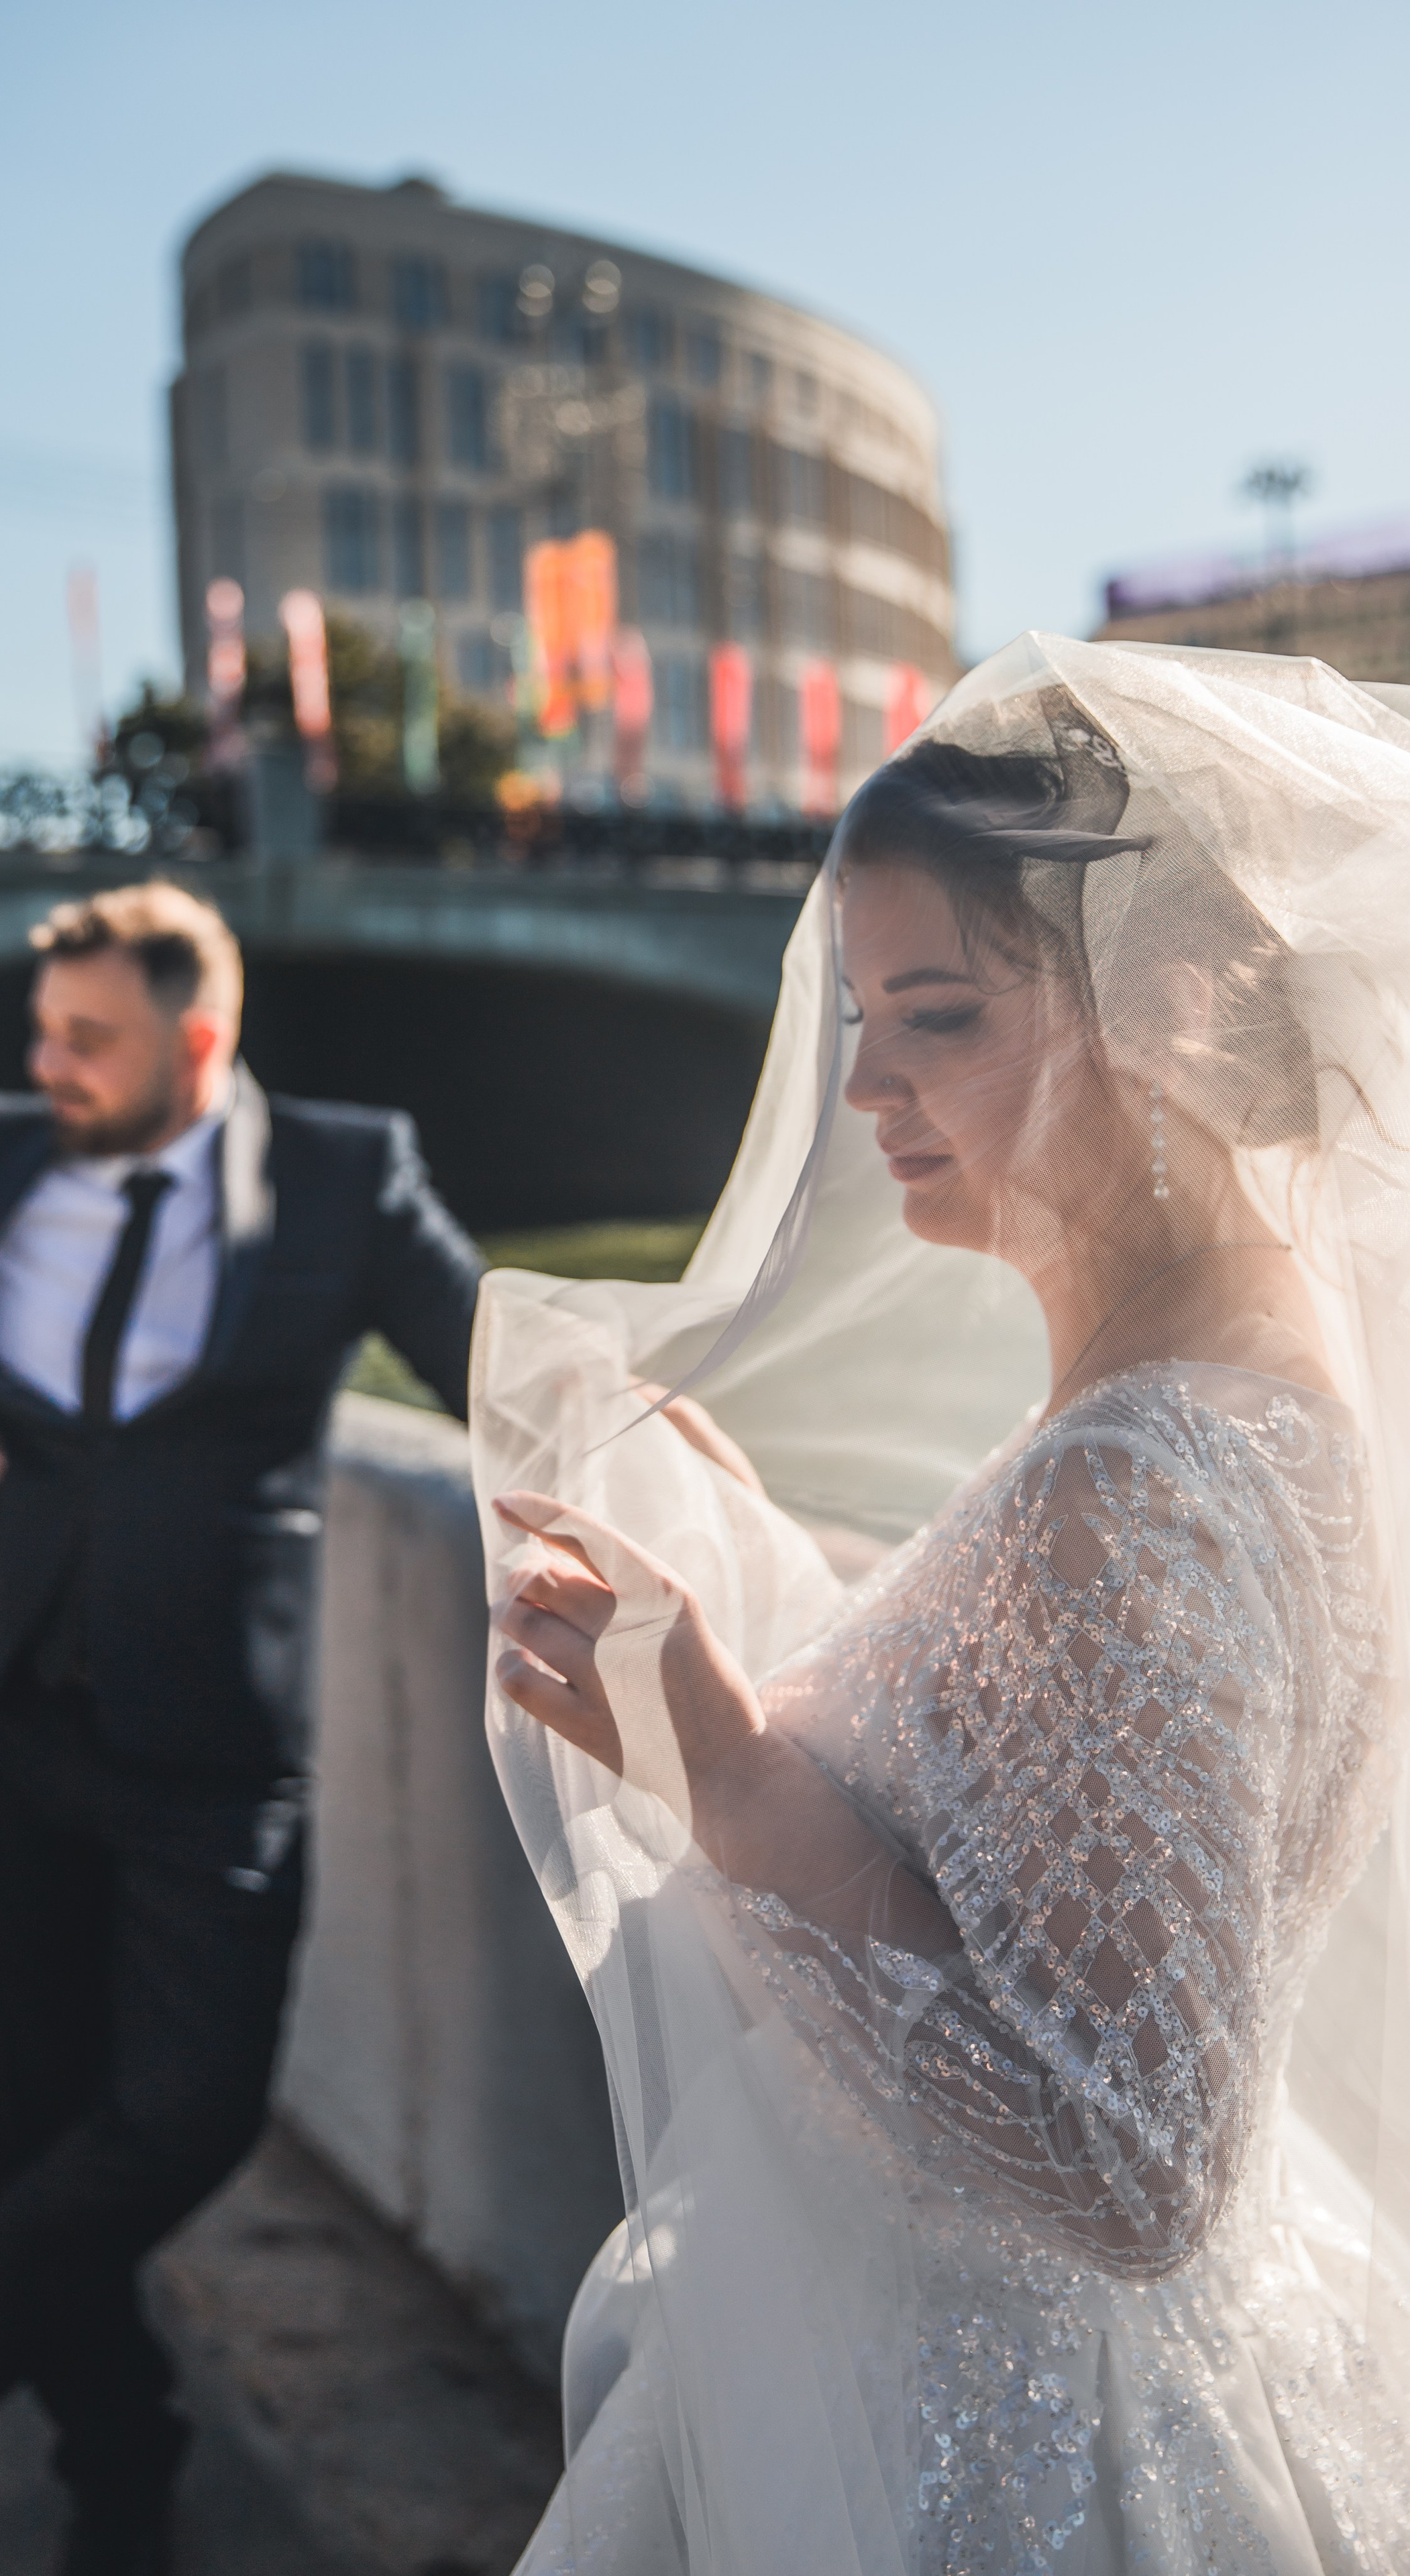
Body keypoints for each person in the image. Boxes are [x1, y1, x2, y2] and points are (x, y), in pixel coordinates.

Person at [472, 638, 1410, 2573]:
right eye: (861, 1017)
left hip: (1012, 2452)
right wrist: (782, 1578)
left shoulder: (1132, 1490)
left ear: (1153, 1017)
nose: (868, 1081)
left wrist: (720, 1765)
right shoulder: (1225, 1386)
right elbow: (1042, 1770)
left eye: (940, 1015)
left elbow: (1130, 2159)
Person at [0, 881, 483, 2576]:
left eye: (89, 1039)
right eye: (42, 1033)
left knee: (190, 2109)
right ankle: (121, 2476)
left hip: (211, 1741)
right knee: (27, 2122)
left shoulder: (340, 1173)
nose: (50, 1065)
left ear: (199, 1041)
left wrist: (671, 1470)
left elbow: (496, 1369)